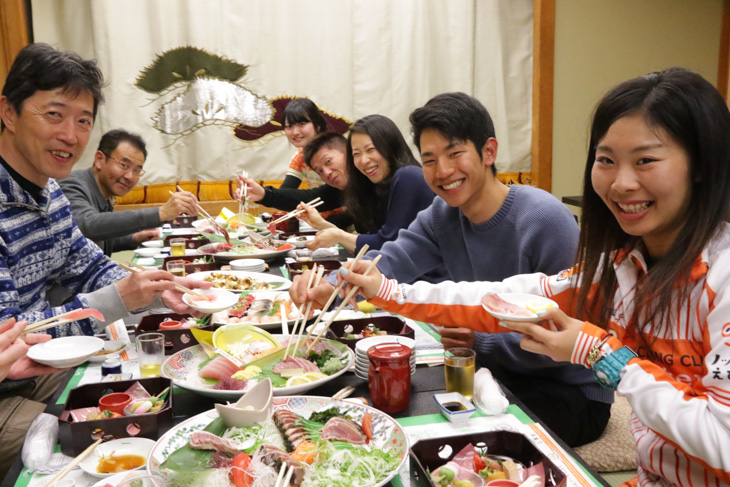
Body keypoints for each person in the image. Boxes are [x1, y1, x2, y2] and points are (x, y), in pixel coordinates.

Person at [338, 68, 730, 486]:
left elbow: (722, 440)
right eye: (606, 160)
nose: (621, 182)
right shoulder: (622, 267)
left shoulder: (718, 276)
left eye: (646, 160)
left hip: (572, 392)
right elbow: (507, 296)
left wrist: (605, 355)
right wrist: (384, 289)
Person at [291, 93, 610, 447]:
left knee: (462, 444)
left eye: (455, 154)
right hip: (492, 373)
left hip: (568, 388)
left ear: (488, 152)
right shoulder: (441, 216)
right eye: (429, 159)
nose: (442, 171)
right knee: (387, 415)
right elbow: (390, 261)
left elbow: (567, 329)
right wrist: (330, 286)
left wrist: (482, 340)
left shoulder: (545, 220)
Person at [0, 43, 209, 478]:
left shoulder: (50, 191)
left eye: (83, 121)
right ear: (8, 112)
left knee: (182, 397)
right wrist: (119, 299)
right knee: (111, 453)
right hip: (9, 389)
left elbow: (89, 263)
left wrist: (155, 289)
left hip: (44, 370)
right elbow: (15, 340)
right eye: (54, 114)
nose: (71, 136)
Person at [296, 114, 435, 253]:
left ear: (389, 145)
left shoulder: (408, 176)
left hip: (430, 274)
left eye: (370, 149)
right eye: (356, 154)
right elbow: (369, 248)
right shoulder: (372, 187)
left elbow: (388, 245)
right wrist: (322, 224)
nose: (363, 160)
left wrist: (338, 235)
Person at [59, 129, 199, 256]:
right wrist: (160, 213)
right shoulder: (70, 184)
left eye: (137, 170)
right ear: (99, 159)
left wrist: (133, 238)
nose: (130, 176)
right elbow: (87, 226)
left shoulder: (104, 194)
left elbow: (100, 239)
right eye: (124, 165)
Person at [239, 132, 349, 225]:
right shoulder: (338, 189)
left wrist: (325, 225)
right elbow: (309, 198)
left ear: (349, 153)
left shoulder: (364, 181)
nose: (327, 172)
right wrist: (264, 194)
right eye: (319, 171)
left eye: (328, 161)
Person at [279, 97, 329, 189]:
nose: (295, 132)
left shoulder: (334, 152)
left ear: (317, 125)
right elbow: (286, 191)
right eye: (289, 126)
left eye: (302, 124)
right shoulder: (301, 156)